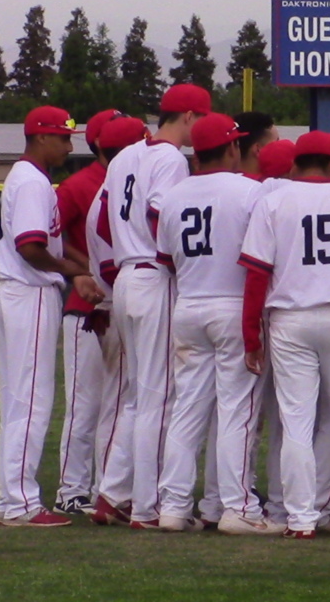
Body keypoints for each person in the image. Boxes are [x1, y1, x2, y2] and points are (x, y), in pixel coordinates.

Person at [240, 131, 330, 539]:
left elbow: (256, 276)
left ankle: (301, 519)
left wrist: (252, 334)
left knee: (297, 423)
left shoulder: (273, 201)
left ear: (293, 164)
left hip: (289, 320)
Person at [153, 113, 279, 534]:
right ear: (232, 148)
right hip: (233, 306)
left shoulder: (172, 196)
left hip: (188, 305)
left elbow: (166, 260)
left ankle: (172, 507)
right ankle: (238, 507)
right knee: (236, 411)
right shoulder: (250, 191)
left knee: (187, 411)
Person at [92, 83, 210, 529]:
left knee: (140, 398)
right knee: (159, 397)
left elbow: (104, 218)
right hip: (154, 276)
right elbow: (163, 215)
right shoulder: (169, 159)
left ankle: (113, 493)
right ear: (191, 117)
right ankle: (148, 506)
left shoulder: (125, 155)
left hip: (125, 276)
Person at [0, 106, 101, 527]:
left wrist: (75, 269)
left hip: (18, 294)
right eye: (61, 137)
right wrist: (74, 272)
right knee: (31, 403)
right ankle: (20, 503)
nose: (68, 144)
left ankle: (12, 500)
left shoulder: (27, 178)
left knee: (19, 402)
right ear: (40, 137)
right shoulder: (33, 182)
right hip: (29, 294)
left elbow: (43, 246)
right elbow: (31, 248)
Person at [52, 109, 122, 516]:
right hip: (86, 309)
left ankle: (107, 489)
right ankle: (71, 489)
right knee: (86, 404)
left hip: (126, 305)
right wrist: (83, 270)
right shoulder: (78, 185)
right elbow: (48, 235)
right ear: (98, 144)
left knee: (119, 406)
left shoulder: (133, 180)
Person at [83, 116, 149, 515]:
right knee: (127, 402)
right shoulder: (111, 198)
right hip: (119, 303)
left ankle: (111, 490)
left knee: (127, 401)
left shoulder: (109, 192)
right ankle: (109, 490)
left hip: (116, 301)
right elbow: (110, 266)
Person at [236, 111, 280, 181]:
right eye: (277, 143)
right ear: (258, 149)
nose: (281, 148)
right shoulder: (270, 187)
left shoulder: (221, 182)